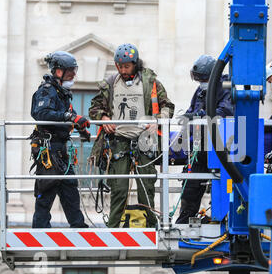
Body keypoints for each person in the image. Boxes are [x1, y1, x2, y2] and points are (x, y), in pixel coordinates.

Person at [89, 43, 175, 228]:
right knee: (118, 187)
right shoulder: (111, 83)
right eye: (119, 65)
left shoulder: (151, 83)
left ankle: (151, 226)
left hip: (144, 142)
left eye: (126, 66)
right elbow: (94, 108)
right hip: (119, 142)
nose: (122, 69)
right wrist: (104, 118)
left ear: (135, 64)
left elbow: (168, 107)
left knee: (146, 186)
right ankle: (113, 227)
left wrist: (157, 120)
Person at [30, 51, 90, 228]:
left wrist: (79, 126)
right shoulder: (46, 91)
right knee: (47, 191)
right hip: (49, 150)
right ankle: (40, 230)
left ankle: (78, 227)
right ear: (58, 71)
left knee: (70, 189)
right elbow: (41, 113)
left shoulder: (62, 93)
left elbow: (63, 117)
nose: (73, 75)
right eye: (70, 71)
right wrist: (69, 117)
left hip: (61, 151)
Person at [175, 55, 233, 224]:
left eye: (203, 78)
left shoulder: (226, 86)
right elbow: (192, 108)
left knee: (220, 185)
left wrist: (201, 115)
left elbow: (226, 111)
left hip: (219, 147)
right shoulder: (201, 90)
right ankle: (183, 222)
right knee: (191, 187)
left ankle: (220, 219)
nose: (200, 82)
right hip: (199, 146)